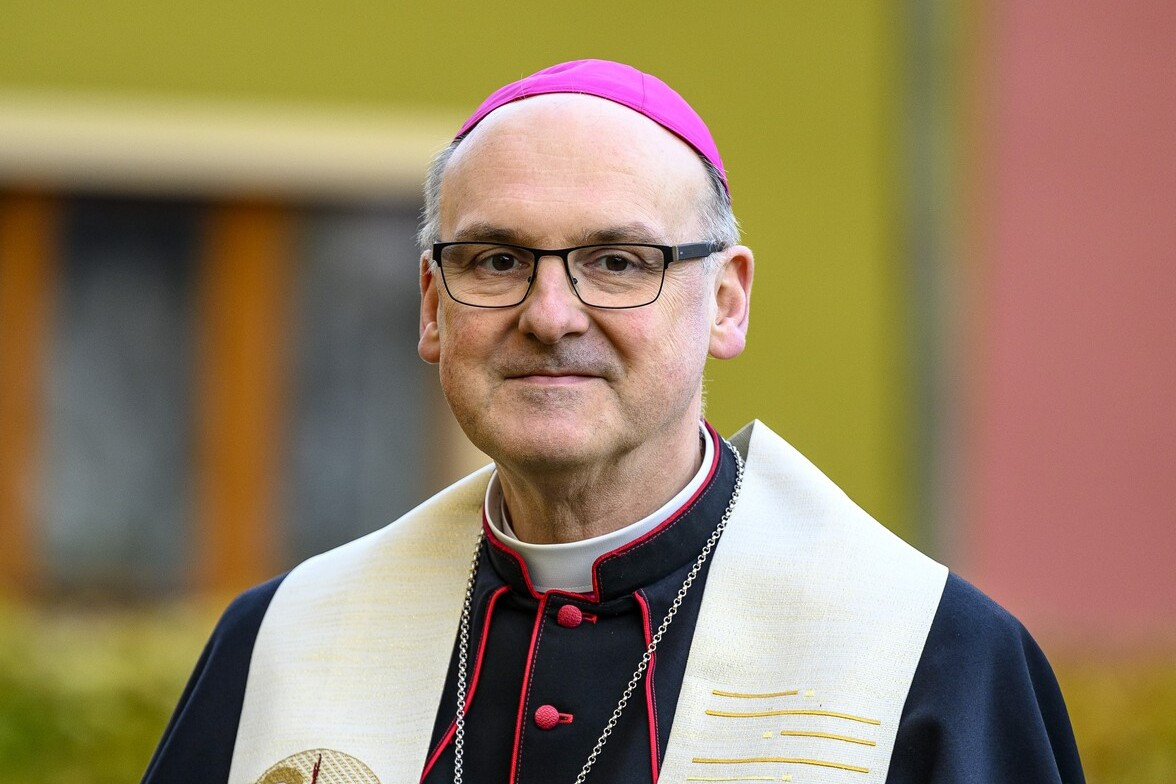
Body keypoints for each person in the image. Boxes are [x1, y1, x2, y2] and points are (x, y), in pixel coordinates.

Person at [142, 60, 1084, 784]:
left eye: (620, 262)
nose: (551, 315)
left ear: (726, 303)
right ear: (432, 306)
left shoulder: (931, 657)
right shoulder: (284, 641)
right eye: (497, 260)